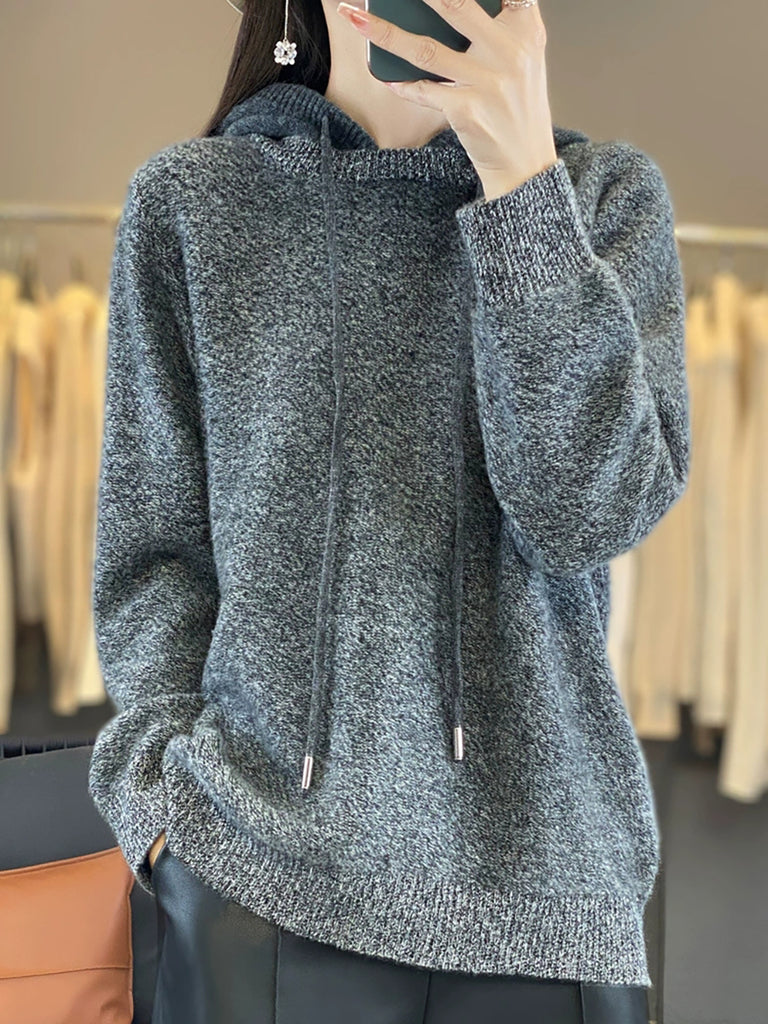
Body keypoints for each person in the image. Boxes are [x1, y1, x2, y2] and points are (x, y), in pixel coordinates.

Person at [87, 0, 690, 1020]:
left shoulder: (602, 200)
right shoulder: (194, 203)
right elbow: (154, 562)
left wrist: (523, 189)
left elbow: (589, 514)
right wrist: (161, 810)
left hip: (552, 909)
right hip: (257, 890)